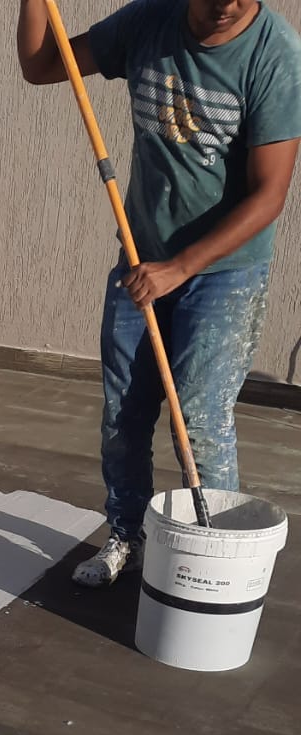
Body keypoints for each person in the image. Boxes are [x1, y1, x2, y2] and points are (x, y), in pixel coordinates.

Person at [17, 1, 301, 585]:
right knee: (123, 415)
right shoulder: (148, 22)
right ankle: (128, 536)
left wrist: (181, 267)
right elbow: (43, 66)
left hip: (225, 272)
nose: (226, 7)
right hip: (142, 257)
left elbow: (269, 195)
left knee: (198, 419)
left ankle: (213, 559)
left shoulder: (275, 55)